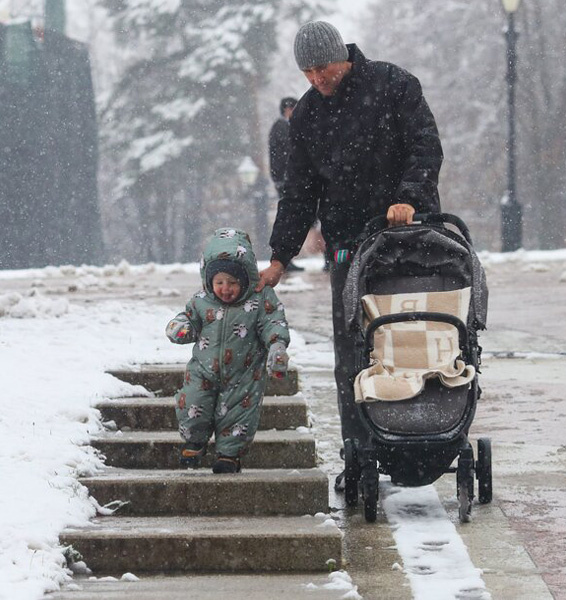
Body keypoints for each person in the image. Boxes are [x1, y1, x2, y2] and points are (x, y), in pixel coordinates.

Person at [255, 21, 443, 487]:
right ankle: (358, 455)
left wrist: (408, 198)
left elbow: (425, 148)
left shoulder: (393, 84)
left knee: (412, 337)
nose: (316, 78)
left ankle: (424, 436)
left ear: (343, 56)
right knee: (352, 353)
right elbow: (299, 193)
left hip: (408, 236)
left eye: (322, 67)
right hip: (346, 245)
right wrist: (280, 255)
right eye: (307, 71)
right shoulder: (306, 117)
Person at [166, 228, 291, 474]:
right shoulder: (201, 300)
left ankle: (229, 455)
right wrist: (181, 327)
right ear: (209, 281)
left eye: (233, 282)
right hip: (203, 370)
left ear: (246, 279)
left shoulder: (259, 299)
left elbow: (273, 322)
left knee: (239, 414)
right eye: (219, 282)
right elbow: (190, 319)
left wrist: (277, 347)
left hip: (244, 373)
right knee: (192, 403)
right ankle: (195, 440)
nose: (225, 288)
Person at [268, 97, 307, 273]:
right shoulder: (282, 128)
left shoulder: (285, 127)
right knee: (290, 215)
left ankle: (285, 258)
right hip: (288, 179)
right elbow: (285, 155)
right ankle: (284, 258)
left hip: (291, 179)